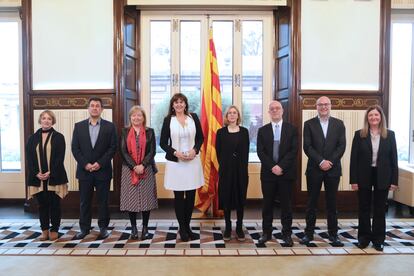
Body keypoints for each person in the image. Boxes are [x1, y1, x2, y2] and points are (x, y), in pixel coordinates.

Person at [350, 105, 398, 251]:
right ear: (367, 118)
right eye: (371, 115)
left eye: (376, 115)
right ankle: (363, 238)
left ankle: (378, 240)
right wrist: (353, 180)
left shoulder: (390, 135)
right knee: (363, 208)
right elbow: (354, 159)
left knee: (379, 209)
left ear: (381, 117)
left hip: (383, 175)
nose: (373, 118)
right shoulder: (359, 134)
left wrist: (394, 181)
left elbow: (393, 159)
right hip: (364, 174)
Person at [300, 96, 346, 247]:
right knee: (311, 203)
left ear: (330, 106)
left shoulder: (339, 124)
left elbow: (341, 146)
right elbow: (307, 147)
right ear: (316, 107)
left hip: (333, 170)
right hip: (314, 169)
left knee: (332, 203)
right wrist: (320, 161)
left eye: (326, 104)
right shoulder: (309, 124)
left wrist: (330, 162)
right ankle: (308, 234)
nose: (324, 107)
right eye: (320, 105)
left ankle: (333, 235)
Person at [71, 97, 117, 240]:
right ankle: (84, 228)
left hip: (103, 170)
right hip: (84, 171)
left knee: (103, 201)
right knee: (84, 201)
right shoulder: (78, 126)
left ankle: (103, 228)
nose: (95, 108)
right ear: (88, 109)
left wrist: (100, 163)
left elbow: (113, 148)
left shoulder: (110, 127)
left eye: (98, 106)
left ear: (102, 109)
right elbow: (75, 148)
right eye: (92, 106)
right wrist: (85, 164)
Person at [160, 93, 204, 242]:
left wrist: (195, 150)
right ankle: (182, 228)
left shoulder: (194, 117)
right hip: (176, 163)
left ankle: (188, 227)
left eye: (182, 102)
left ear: (185, 104)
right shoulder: (168, 120)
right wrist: (175, 152)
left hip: (192, 161)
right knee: (179, 197)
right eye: (176, 102)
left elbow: (200, 138)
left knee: (191, 196)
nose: (179, 105)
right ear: (172, 105)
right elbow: (163, 143)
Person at [256, 101, 298, 246]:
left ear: (282, 111)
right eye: (272, 109)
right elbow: (261, 152)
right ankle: (266, 233)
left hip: (286, 174)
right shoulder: (262, 130)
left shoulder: (292, 129)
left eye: (277, 108)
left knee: (286, 205)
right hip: (268, 174)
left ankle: (287, 234)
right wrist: (272, 167)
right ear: (269, 112)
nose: (275, 110)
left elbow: (293, 151)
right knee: (267, 205)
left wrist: (281, 167)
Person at [26, 110, 68, 241]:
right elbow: (29, 158)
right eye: (44, 118)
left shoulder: (59, 137)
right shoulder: (32, 138)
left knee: (55, 204)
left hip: (54, 177)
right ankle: (44, 230)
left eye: (49, 119)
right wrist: (36, 173)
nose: (46, 120)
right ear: (40, 121)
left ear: (52, 121)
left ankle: (54, 229)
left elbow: (60, 158)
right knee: (42, 205)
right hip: (37, 178)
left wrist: (51, 172)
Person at [120, 105, 158, 240]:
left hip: (146, 169)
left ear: (143, 118)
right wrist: (134, 166)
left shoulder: (150, 132)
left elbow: (152, 151)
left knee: (146, 200)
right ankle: (134, 228)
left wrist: (142, 165)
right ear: (130, 118)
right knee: (131, 200)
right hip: (129, 170)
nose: (136, 118)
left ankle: (145, 228)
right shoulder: (125, 131)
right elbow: (123, 151)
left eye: (139, 115)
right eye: (134, 115)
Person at [216, 105, 249, 241]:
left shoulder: (244, 132)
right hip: (226, 170)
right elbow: (218, 152)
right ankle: (228, 227)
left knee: (240, 198)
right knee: (227, 199)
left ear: (238, 116)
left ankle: (239, 226)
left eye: (234, 113)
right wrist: (226, 163)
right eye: (229, 113)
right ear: (226, 116)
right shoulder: (221, 132)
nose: (232, 115)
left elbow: (246, 152)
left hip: (241, 170)